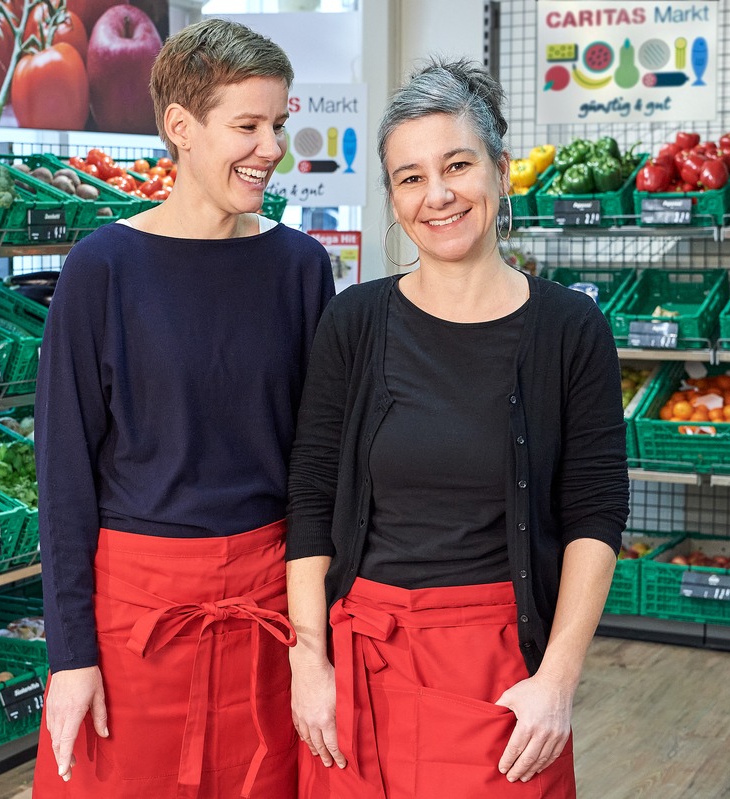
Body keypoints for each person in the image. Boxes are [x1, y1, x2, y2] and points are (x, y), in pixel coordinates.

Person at [285, 57, 629, 798]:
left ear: (501, 170)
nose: (436, 195)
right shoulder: (353, 321)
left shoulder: (571, 328)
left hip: (503, 679)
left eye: (457, 165)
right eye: (409, 177)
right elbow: (311, 498)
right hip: (359, 675)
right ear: (392, 195)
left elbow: (595, 514)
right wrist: (308, 661)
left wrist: (558, 681)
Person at [31, 17, 335, 799]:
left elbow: (314, 467)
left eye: (278, 123)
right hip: (135, 626)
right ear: (181, 128)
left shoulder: (301, 270)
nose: (271, 146)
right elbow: (64, 482)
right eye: (248, 125)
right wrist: (70, 656)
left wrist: (313, 643)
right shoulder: (101, 268)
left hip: (268, 617)